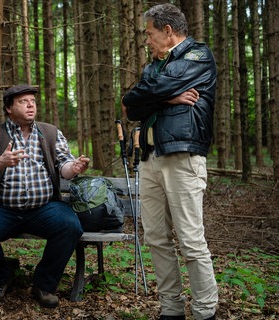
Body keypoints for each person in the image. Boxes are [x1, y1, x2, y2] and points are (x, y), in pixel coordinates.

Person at [121, 4, 218, 320]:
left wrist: (156, 95)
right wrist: (168, 97)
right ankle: (172, 311)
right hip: (150, 158)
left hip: (182, 156)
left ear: (167, 30)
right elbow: (131, 105)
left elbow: (150, 91)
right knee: (156, 238)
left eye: (149, 34)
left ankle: (205, 312)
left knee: (190, 239)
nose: (146, 41)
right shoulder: (153, 66)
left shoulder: (197, 56)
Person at [0, 84, 89, 308]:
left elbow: (64, 166)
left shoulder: (50, 132)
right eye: (23, 101)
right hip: (0, 207)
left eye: (33, 101)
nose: (31, 105)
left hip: (44, 208)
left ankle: (44, 285)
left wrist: (75, 168)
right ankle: (2, 277)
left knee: (70, 226)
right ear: (9, 108)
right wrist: (0, 162)